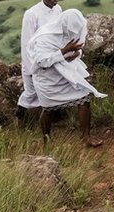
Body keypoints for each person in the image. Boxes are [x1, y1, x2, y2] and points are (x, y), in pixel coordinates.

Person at [29, 9, 106, 147]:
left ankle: (86, 137)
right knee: (48, 109)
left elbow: (78, 47)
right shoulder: (45, 37)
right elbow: (41, 61)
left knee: (84, 98)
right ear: (63, 24)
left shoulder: (77, 27)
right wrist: (63, 51)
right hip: (47, 79)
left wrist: (77, 53)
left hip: (66, 73)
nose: (73, 33)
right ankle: (46, 139)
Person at [18, 0, 63, 119]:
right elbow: (27, 43)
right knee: (31, 93)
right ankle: (20, 118)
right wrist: (32, 67)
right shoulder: (32, 14)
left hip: (52, 58)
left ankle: (56, 120)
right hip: (35, 60)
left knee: (53, 90)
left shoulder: (58, 9)